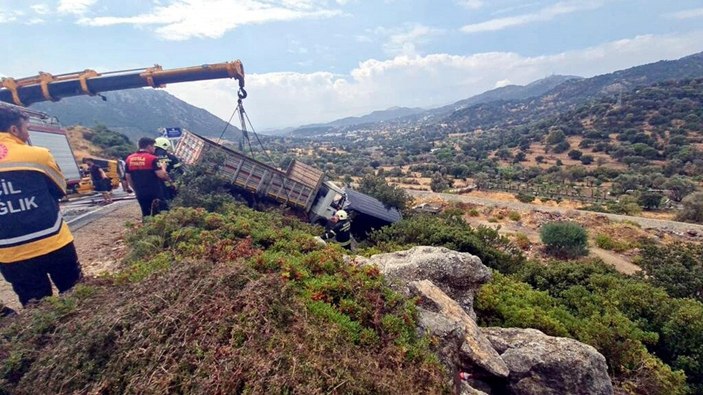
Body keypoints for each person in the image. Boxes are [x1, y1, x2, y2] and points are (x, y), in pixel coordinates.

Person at [0, 105, 82, 307]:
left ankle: (49, 338)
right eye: (26, 128)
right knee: (77, 295)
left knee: (36, 306)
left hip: (10, 252)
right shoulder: (38, 155)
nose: (27, 133)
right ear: (14, 130)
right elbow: (60, 188)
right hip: (53, 239)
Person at [125, 137, 171, 219]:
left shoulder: (129, 159)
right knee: (161, 213)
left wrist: (135, 189)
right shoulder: (152, 158)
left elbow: (128, 177)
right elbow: (162, 175)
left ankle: (147, 229)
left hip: (140, 192)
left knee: (146, 213)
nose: (154, 149)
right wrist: (164, 169)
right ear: (149, 146)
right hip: (154, 192)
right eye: (153, 146)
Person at [153, 137, 183, 201]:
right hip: (170, 184)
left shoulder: (151, 157)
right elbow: (179, 171)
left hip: (155, 185)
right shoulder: (171, 157)